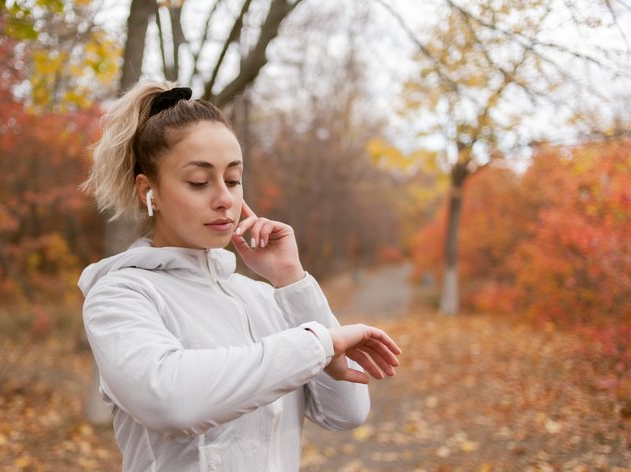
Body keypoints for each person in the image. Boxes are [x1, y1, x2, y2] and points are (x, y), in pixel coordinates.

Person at [78, 81, 402, 471]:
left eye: (232, 180)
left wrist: (292, 281)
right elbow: (171, 401)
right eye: (199, 181)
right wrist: (320, 344)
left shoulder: (262, 298)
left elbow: (347, 412)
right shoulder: (121, 295)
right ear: (150, 192)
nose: (224, 199)